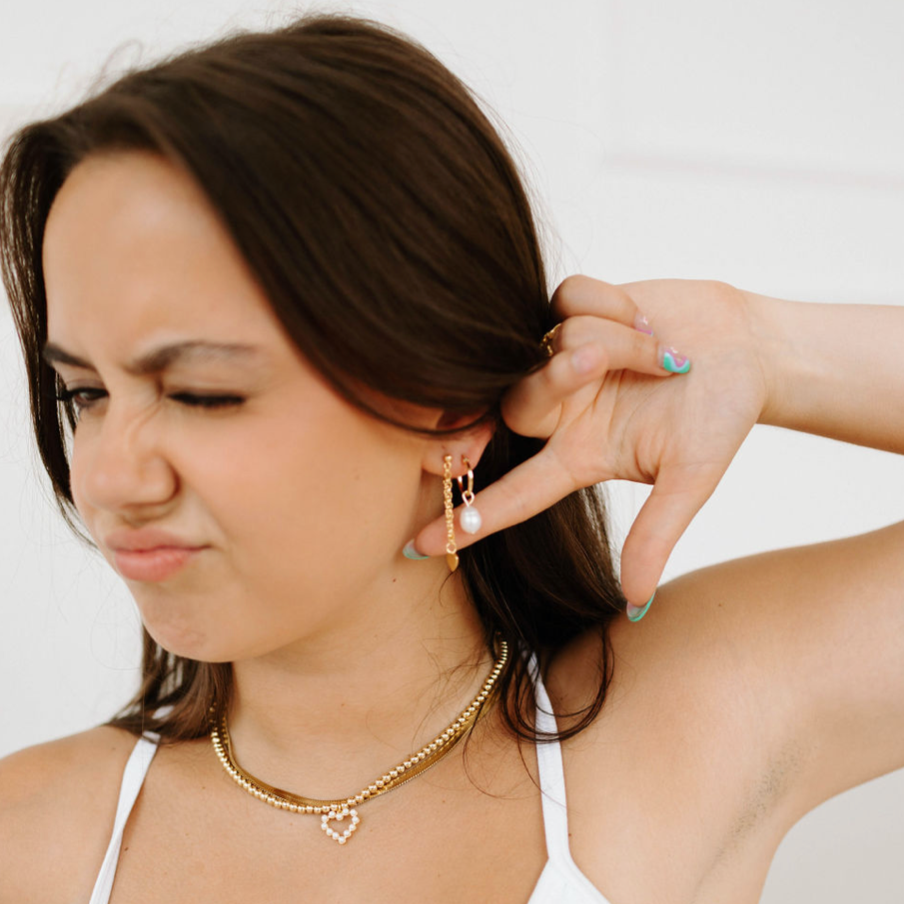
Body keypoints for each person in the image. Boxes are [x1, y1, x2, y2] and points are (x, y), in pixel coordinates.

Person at [0, 11, 901, 904]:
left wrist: (767, 347)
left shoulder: (694, 721)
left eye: (201, 393)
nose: (111, 480)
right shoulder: (29, 839)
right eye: (85, 394)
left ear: (448, 409)